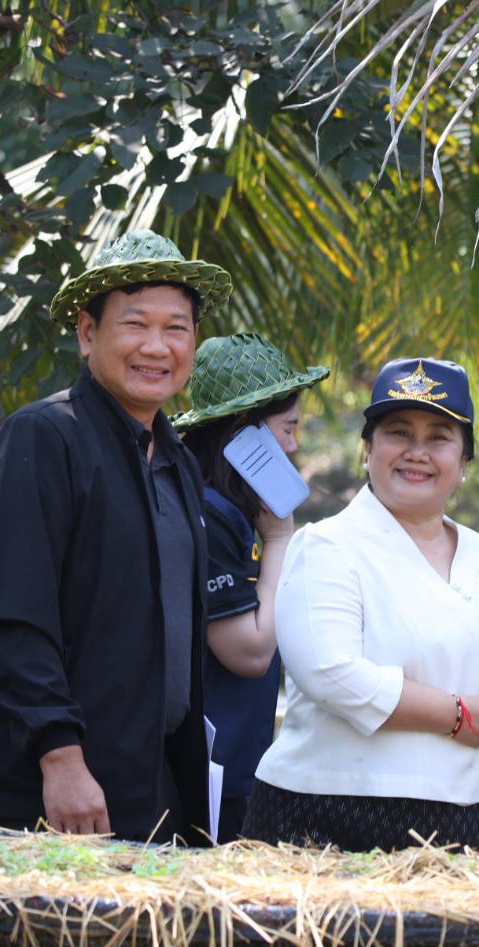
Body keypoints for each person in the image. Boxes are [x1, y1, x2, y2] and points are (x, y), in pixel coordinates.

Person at [0, 231, 231, 842]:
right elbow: (13, 616)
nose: (156, 347)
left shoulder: (179, 462)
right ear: (87, 333)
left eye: (177, 328)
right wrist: (61, 758)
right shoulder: (43, 438)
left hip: (152, 782)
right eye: (135, 324)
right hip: (55, 791)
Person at [242, 358, 479, 853]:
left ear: (464, 461)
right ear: (368, 449)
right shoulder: (326, 547)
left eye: (439, 437)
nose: (417, 452)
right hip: (327, 812)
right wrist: (458, 715)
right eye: (399, 432)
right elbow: (331, 675)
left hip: (460, 817)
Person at [174, 334, 329, 841]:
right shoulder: (211, 517)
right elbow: (251, 652)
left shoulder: (232, 512)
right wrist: (282, 537)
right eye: (287, 428)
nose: (293, 445)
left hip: (236, 759)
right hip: (210, 767)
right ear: (247, 435)